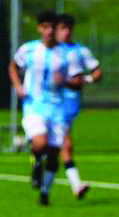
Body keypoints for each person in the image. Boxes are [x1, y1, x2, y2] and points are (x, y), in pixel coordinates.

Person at [7, 11, 84, 206]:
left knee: (53, 154)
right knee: (40, 143)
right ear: (40, 28)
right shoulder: (29, 49)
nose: (49, 31)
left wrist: (66, 80)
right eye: (46, 27)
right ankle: (35, 164)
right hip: (34, 105)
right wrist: (18, 86)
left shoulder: (67, 54)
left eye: (53, 27)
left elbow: (78, 81)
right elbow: (13, 67)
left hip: (58, 109)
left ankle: (45, 192)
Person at [55, 13, 103, 199]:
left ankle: (35, 151)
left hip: (70, 100)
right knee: (65, 142)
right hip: (50, 100)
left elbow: (97, 72)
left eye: (69, 28)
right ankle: (76, 184)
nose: (65, 32)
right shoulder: (49, 51)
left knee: (59, 142)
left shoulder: (80, 51)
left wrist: (86, 79)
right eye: (62, 28)